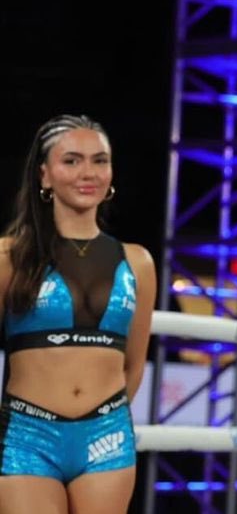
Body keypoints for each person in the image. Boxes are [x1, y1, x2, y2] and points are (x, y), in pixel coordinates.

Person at [0, 115, 157, 514]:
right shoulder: (9, 256)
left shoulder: (137, 262)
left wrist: (106, 419)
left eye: (99, 160)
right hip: (26, 434)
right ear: (45, 175)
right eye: (71, 161)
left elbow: (135, 362)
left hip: (107, 436)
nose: (88, 172)